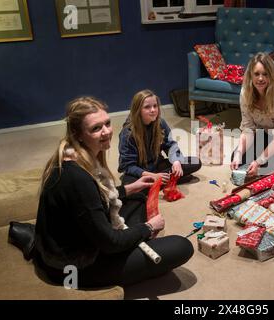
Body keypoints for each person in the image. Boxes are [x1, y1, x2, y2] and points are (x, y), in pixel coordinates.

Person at [33, 96, 193, 288]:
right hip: (73, 266)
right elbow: (110, 242)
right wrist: (148, 227)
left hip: (83, 237)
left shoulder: (76, 157)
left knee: (137, 198)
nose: (107, 132)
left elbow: (96, 197)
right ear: (77, 134)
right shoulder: (77, 179)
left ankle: (134, 237)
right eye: (96, 128)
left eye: (107, 123)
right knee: (181, 246)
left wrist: (130, 187)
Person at [119, 89, 201, 186]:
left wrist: (176, 161)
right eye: (147, 107)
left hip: (157, 164)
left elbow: (171, 145)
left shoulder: (160, 123)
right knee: (129, 185)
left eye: (155, 106)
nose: (153, 110)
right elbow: (127, 165)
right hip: (140, 171)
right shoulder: (128, 133)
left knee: (196, 162)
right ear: (138, 110)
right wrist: (151, 175)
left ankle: (160, 181)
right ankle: (166, 180)